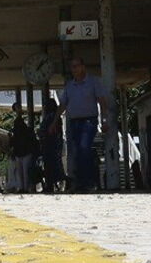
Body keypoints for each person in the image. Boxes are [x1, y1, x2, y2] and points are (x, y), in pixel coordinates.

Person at [51, 57, 108, 192]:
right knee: (77, 152)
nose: (75, 69)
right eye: (72, 67)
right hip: (74, 122)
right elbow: (63, 104)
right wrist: (54, 122)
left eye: (77, 66)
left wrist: (104, 120)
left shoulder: (93, 82)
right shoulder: (70, 86)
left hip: (89, 121)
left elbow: (102, 101)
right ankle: (81, 182)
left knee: (84, 148)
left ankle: (89, 181)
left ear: (83, 67)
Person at [38, 98, 64, 194]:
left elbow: (48, 131)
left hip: (50, 144)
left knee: (50, 166)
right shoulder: (54, 117)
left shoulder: (50, 118)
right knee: (54, 165)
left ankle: (51, 184)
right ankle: (54, 183)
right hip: (54, 144)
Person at [8, 102, 35, 192]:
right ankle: (23, 187)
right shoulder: (19, 123)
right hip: (21, 150)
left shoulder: (22, 122)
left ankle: (24, 187)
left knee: (23, 170)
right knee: (22, 170)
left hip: (23, 150)